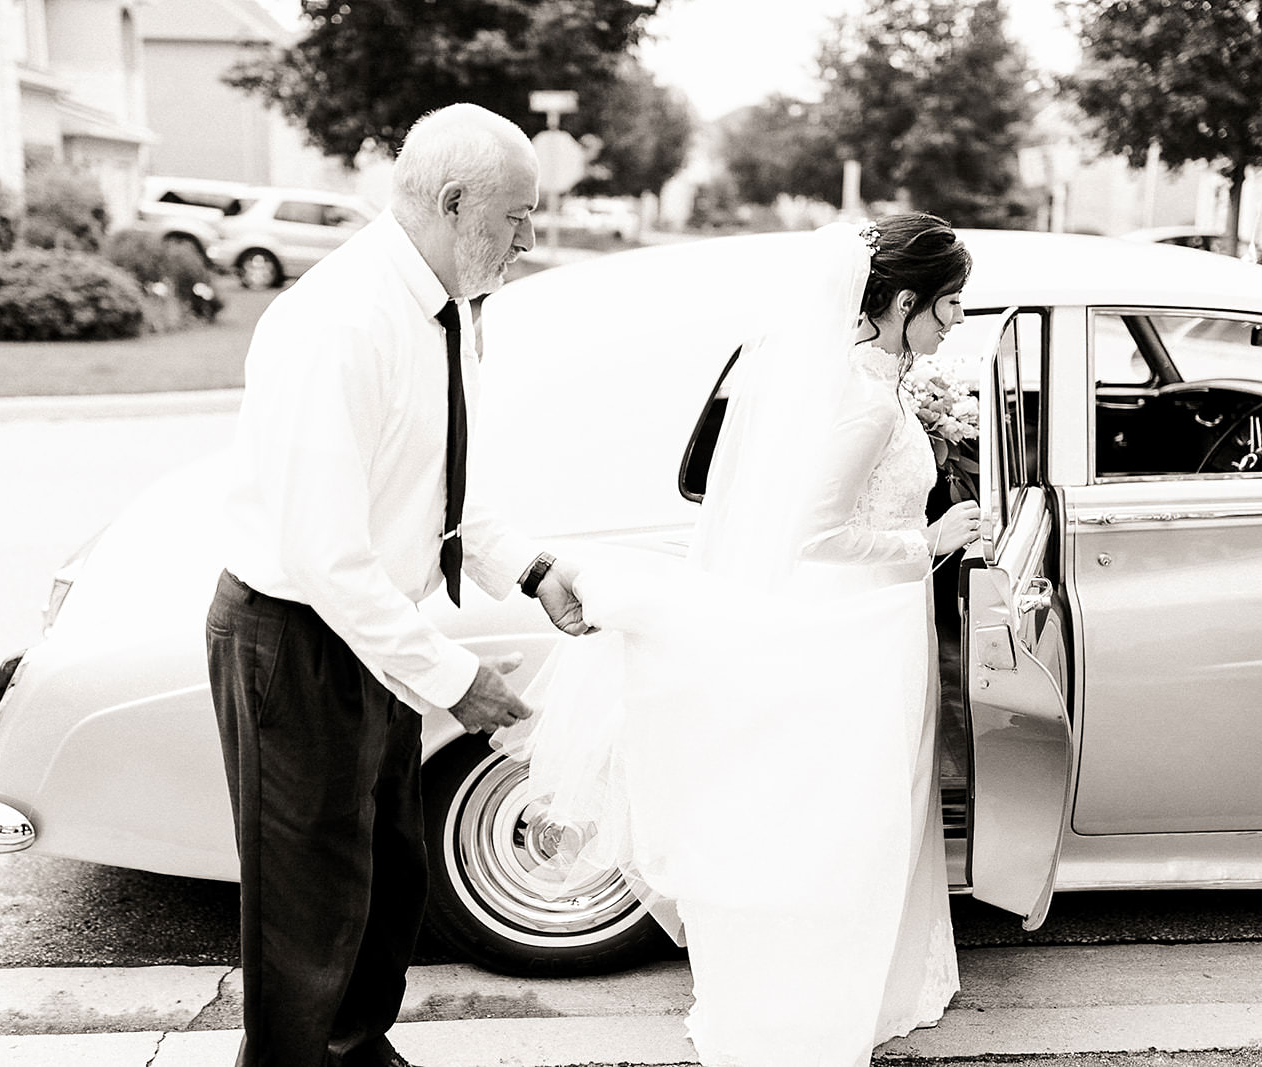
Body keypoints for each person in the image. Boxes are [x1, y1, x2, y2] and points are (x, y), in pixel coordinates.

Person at [496, 213, 978, 1067]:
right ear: (904, 302)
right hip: (858, 628)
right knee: (852, 817)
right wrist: (929, 542)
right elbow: (814, 535)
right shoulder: (863, 403)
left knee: (882, 807)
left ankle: (882, 976)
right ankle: (829, 989)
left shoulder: (877, 383)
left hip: (880, 620)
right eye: (950, 305)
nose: (957, 322)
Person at [204, 102, 589, 1067]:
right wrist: (456, 678)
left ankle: (357, 1046)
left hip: (370, 632)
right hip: (296, 642)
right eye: (517, 216)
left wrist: (532, 571)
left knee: (385, 880)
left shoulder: (440, 306)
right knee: (308, 907)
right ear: (456, 203)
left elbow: (438, 487)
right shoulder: (338, 321)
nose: (529, 238)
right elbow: (326, 554)